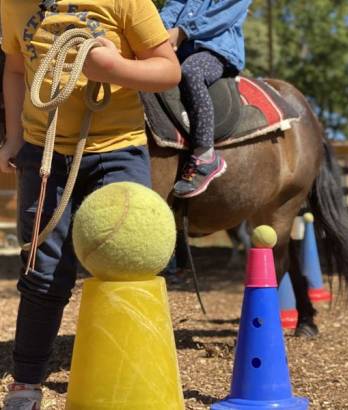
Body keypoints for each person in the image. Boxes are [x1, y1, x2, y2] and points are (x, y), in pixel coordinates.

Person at [0, 0, 180, 408]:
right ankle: (26, 383)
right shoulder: (13, 5)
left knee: (129, 263)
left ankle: (133, 380)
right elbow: (13, 68)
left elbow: (169, 70)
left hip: (118, 150)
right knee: (42, 273)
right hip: (43, 153)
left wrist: (113, 70)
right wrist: (13, 137)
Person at [160, 0, 251, 198]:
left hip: (215, 50)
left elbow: (223, 14)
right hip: (180, 48)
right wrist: (161, 30)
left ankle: (205, 154)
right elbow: (175, 4)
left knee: (192, 72)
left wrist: (182, 31)